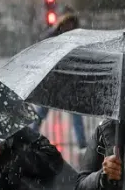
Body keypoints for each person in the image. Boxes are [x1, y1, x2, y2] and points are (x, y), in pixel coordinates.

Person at [30, 12, 87, 151]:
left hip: (68, 82)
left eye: (72, 25)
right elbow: (43, 51)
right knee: (42, 112)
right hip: (53, 81)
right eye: (68, 24)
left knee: (75, 113)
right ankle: (30, 137)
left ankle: (82, 144)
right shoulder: (53, 36)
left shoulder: (75, 38)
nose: (70, 27)